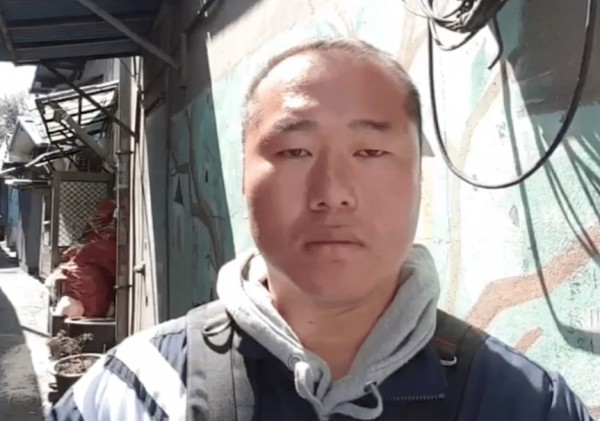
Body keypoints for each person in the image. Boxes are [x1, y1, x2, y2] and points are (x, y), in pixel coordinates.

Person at [49, 39, 593, 421]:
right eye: (295, 151)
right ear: (243, 176)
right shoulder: (135, 393)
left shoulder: (524, 403)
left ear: (417, 178)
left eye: (370, 151)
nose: (332, 191)